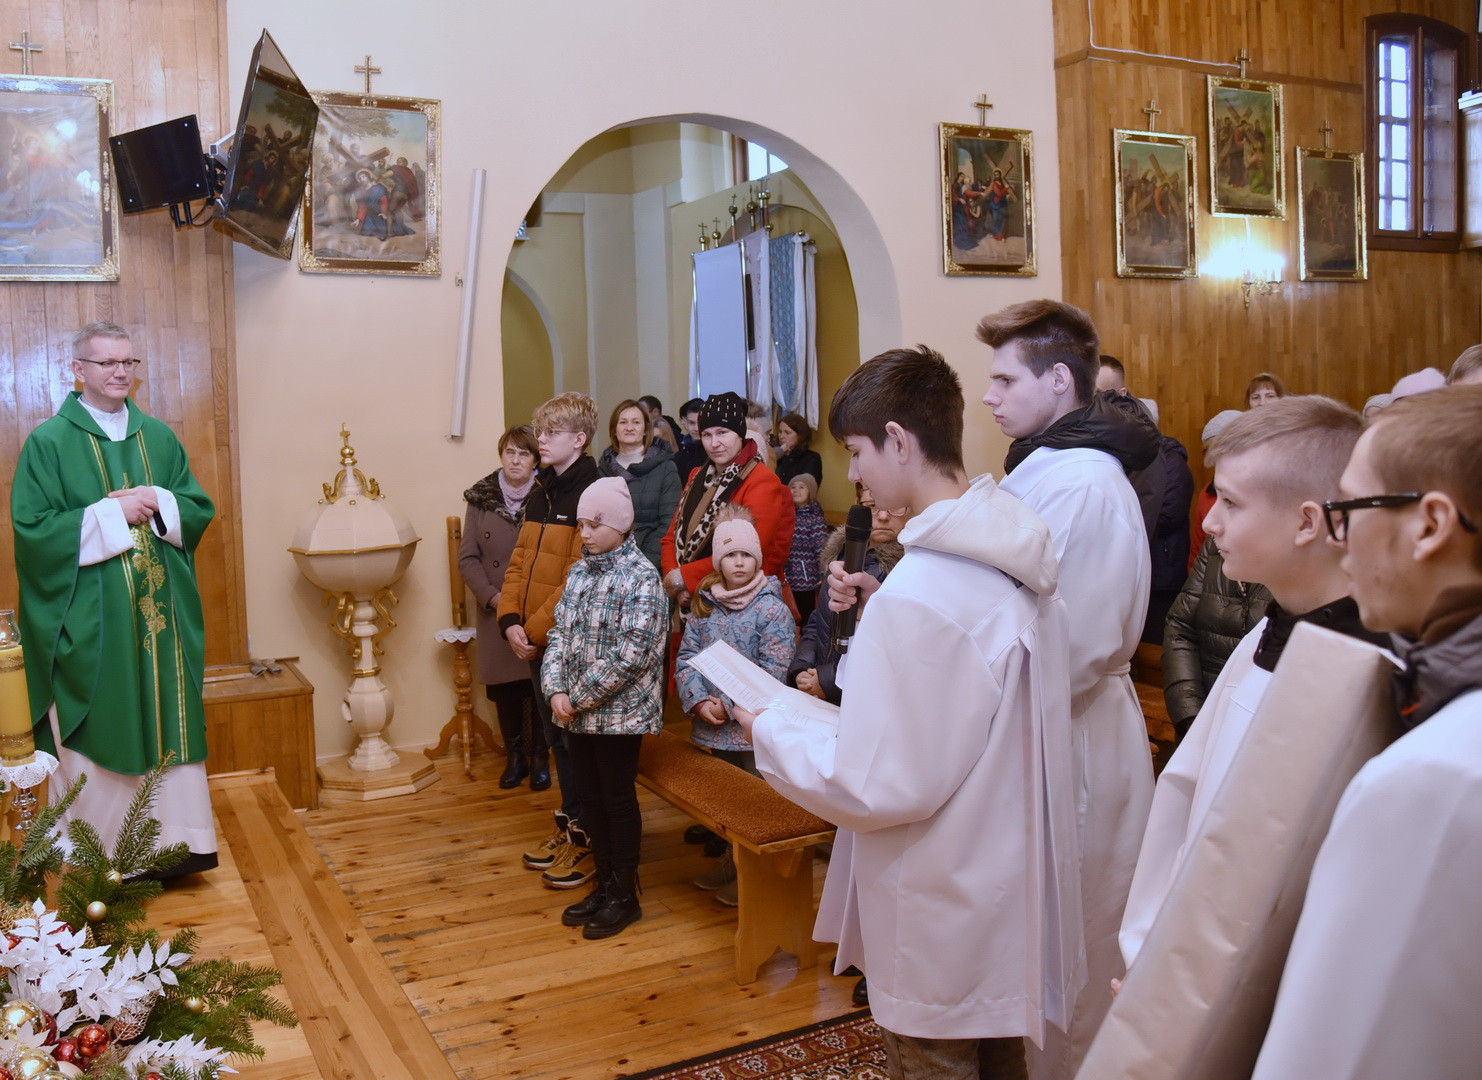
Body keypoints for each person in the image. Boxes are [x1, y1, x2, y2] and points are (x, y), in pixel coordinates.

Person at [739, 345, 1082, 1080]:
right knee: (1000, 1058)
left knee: (935, 1060)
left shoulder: (924, 590)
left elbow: (877, 784)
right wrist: (879, 614)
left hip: (939, 892)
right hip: (1001, 881)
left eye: (856, 451)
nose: (854, 475)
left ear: (898, 439)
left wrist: (766, 727)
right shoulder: (1006, 551)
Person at [1252, 386, 1482, 1080]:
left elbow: (1339, 1052)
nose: (1337, 537)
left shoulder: (1436, 779)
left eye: (1350, 509)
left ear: (1431, 524)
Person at [1121, 396, 1386, 971]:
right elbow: (1190, 804)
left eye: (1232, 502)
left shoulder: (1366, 671)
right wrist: (1156, 945)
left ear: (1307, 522)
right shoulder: (1269, 631)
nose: (1209, 522)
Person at [976, 299, 1156, 1079]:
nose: (989, 396)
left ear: (1058, 380)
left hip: (1075, 729)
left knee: (1078, 938)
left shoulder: (1083, 483)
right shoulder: (1044, 467)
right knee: (1044, 935)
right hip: (1042, 720)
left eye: (1004, 379)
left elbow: (1072, 644)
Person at [11, 322, 217, 875]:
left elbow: (196, 508)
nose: (121, 372)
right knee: (100, 719)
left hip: (159, 620)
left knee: (167, 718)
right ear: (78, 370)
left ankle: (177, 846)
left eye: (128, 362)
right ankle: (97, 851)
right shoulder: (49, 443)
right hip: (91, 621)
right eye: (107, 363)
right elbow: (33, 532)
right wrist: (111, 514)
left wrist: (160, 500)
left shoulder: (160, 438)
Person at [541, 478, 669, 940]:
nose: (586, 534)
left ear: (620, 524)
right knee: (589, 798)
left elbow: (634, 654)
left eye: (595, 524)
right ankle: (605, 883)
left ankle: (625, 894)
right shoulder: (580, 572)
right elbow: (558, 633)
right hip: (576, 710)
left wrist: (577, 697)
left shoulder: (642, 578)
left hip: (620, 714)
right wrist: (555, 688)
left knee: (616, 800)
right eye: (581, 525)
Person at [498, 391, 602, 891]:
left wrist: (533, 632)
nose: (540, 439)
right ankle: (570, 827)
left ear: (579, 439)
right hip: (536, 640)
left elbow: (579, 576)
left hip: (569, 643)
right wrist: (509, 620)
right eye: (539, 430)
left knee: (577, 744)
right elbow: (519, 562)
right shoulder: (541, 490)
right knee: (558, 742)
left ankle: (589, 839)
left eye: (551, 432)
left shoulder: (594, 494)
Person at [674, 506, 796, 907]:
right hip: (713, 725)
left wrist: (726, 704)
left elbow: (773, 670)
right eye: (730, 555)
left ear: (757, 559)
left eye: (746, 554)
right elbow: (687, 657)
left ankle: (756, 878)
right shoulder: (705, 605)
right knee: (727, 802)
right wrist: (697, 701)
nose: (739, 562)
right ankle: (731, 863)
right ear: (718, 561)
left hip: (751, 727)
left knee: (756, 804)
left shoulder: (771, 609)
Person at [459, 424, 546, 789]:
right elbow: (468, 558)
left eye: (524, 453)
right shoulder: (480, 497)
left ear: (535, 460)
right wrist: (493, 598)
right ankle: (515, 756)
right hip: (495, 607)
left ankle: (540, 756)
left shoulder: (548, 494)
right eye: (509, 452)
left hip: (538, 605)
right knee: (506, 689)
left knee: (539, 684)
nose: (515, 460)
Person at [660, 391, 795, 612]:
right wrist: (674, 580)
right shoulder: (696, 476)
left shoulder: (761, 480)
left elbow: (751, 551)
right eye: (706, 435)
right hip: (688, 603)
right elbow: (670, 537)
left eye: (722, 433)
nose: (714, 443)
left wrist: (685, 579)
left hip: (737, 604)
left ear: (740, 434)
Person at [788, 486, 905, 707]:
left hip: (862, 698)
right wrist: (802, 668)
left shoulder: (906, 569)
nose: (882, 516)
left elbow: (888, 648)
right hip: (818, 689)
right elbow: (818, 620)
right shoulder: (842, 555)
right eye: (871, 506)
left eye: (894, 507)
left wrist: (826, 681)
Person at [1161, 536, 1272, 743]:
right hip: (1202, 725)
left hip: (1263, 734)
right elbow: (1180, 627)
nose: (1209, 524)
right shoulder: (1216, 544)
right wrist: (1191, 716)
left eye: (1231, 505)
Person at [597, 399, 680, 571]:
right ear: (614, 429)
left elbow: (669, 523)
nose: (629, 427)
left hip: (649, 562)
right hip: (608, 561)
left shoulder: (666, 468)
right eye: (623, 422)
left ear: (646, 430)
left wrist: (641, 564)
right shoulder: (601, 471)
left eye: (636, 422)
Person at [1188, 409, 1242, 566]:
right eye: (1212, 453)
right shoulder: (1207, 494)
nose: (1218, 460)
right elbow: (1197, 552)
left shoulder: (1265, 495)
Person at [783, 473, 827, 625]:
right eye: (793, 487)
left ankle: (805, 636)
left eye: (802, 487)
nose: (796, 490)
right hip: (787, 577)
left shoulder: (815, 519)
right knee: (788, 615)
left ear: (810, 492)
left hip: (806, 579)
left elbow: (822, 549)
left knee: (805, 615)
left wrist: (823, 573)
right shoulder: (785, 516)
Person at [773, 412, 823, 488]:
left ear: (800, 435)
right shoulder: (776, 455)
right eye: (780, 432)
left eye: (787, 433)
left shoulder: (811, 458)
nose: (781, 436)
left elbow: (807, 487)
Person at [672, 397, 707, 484]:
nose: (696, 428)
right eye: (692, 423)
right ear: (684, 422)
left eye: (700, 423)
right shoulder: (678, 457)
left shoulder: (714, 452)